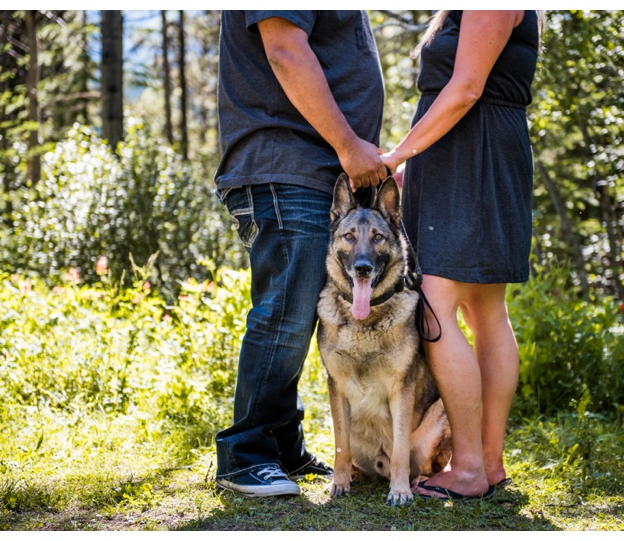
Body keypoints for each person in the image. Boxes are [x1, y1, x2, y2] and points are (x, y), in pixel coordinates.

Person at [213, 10, 387, 498]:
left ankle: (281, 446)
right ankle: (245, 456)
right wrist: (349, 145)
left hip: (317, 165)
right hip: (286, 162)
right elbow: (285, 51)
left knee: (301, 310)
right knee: (286, 313)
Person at [381, 10, 541, 500]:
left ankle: (471, 466)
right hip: (464, 152)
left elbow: (467, 88)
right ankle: (487, 464)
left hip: (473, 150)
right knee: (485, 309)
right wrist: (420, 159)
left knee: (437, 304)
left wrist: (397, 156)